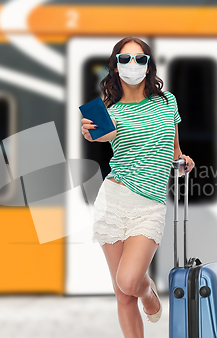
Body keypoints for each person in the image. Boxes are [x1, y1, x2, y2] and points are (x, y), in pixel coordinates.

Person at [80, 36, 194, 337]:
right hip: (113, 199)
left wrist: (184, 160)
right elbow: (102, 136)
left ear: (148, 65)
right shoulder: (109, 111)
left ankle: (148, 293)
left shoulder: (167, 101)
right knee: (122, 294)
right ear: (116, 67)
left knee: (130, 282)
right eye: (125, 59)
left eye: (140, 59)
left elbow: (174, 150)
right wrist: (90, 134)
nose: (133, 65)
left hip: (149, 206)